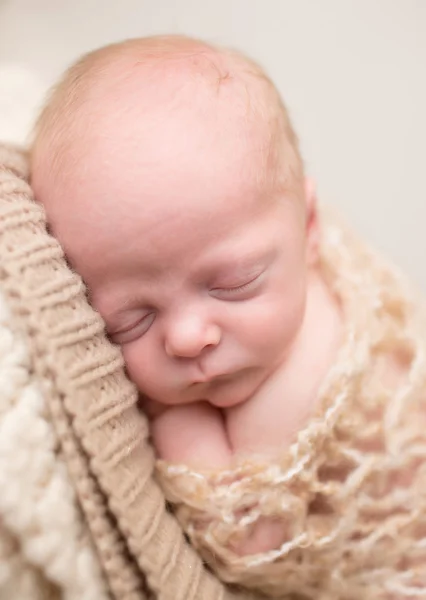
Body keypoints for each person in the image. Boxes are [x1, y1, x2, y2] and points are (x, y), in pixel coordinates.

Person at [30, 36, 426, 598]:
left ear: (311, 228)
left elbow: (252, 546)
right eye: (129, 321)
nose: (188, 337)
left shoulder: (311, 373)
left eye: (233, 284)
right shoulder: (265, 270)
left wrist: (166, 412)